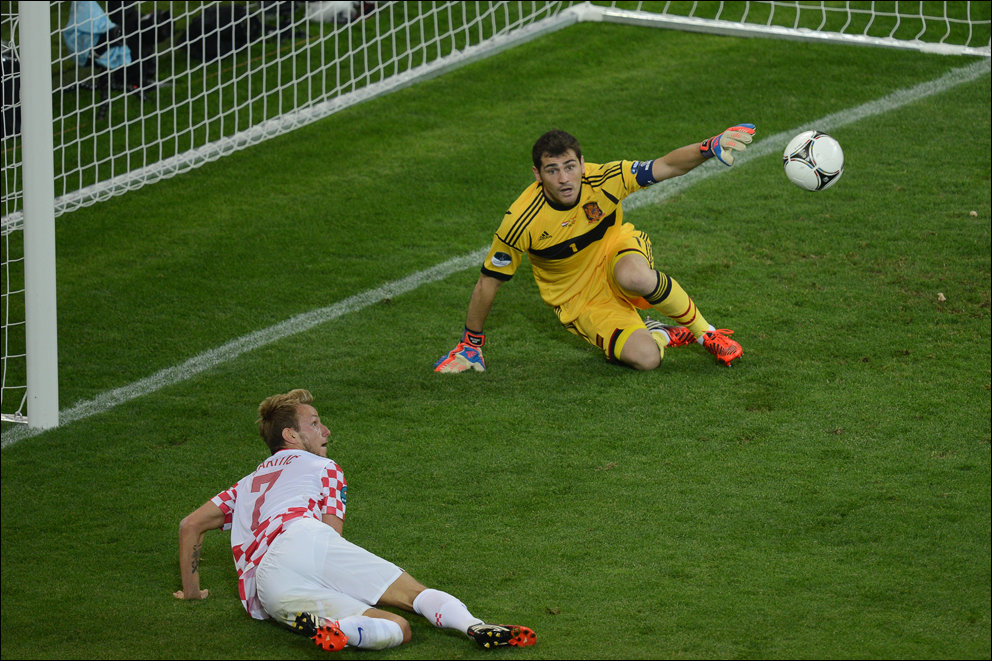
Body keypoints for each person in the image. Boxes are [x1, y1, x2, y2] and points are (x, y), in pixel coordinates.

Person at [174, 388, 537, 652]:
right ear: (291, 435)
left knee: (398, 629)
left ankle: (340, 631)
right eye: (315, 423)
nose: (326, 431)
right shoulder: (323, 467)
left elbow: (190, 525)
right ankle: (473, 626)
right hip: (303, 539)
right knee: (411, 596)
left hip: (269, 590)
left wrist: (192, 593)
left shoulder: (246, 485)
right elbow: (332, 536)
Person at [434, 125, 755, 374]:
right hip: (580, 299)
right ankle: (660, 334)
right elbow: (488, 282)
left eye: (570, 166)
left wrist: (708, 146)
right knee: (647, 359)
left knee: (634, 277)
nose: (564, 178)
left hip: (616, 253)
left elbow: (668, 165)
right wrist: (470, 345)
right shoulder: (521, 221)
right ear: (537, 174)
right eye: (552, 170)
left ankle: (707, 334)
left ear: (582, 164)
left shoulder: (605, 179)